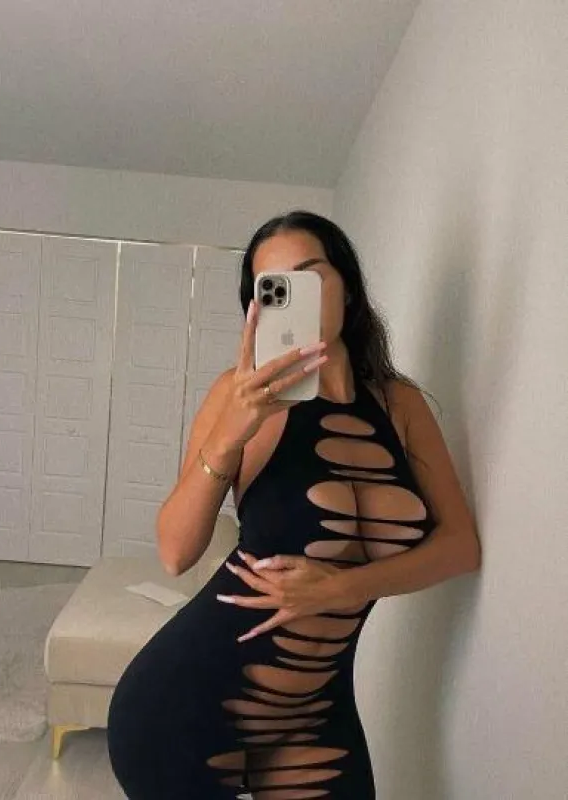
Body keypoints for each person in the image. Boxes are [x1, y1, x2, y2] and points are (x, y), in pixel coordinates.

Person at [107, 210, 481, 799]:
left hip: (314, 716)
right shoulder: (235, 397)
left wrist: (345, 587)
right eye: (274, 285)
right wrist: (231, 433)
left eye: (310, 274)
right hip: (184, 709)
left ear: (347, 288)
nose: (294, 294)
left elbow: (460, 547)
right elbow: (176, 553)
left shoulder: (400, 404)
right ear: (257, 306)